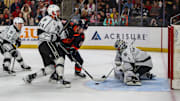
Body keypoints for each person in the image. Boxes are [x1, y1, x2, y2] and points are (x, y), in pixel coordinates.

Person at [23, 4, 70, 88]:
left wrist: (65, 33)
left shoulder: (58, 21)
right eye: (57, 11)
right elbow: (39, 34)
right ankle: (60, 79)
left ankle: (30, 77)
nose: (59, 13)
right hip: (45, 44)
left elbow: (62, 36)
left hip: (48, 45)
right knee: (60, 58)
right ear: (52, 12)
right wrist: (53, 37)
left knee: (50, 68)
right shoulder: (46, 19)